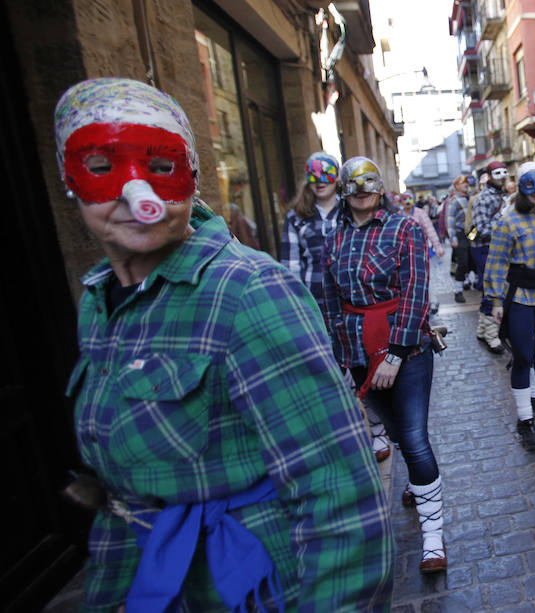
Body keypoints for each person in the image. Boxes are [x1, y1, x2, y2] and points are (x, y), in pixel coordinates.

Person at [56, 78, 393, 612]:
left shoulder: (249, 293)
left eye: (161, 166)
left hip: (246, 588)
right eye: (101, 167)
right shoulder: (100, 301)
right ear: (69, 179)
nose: (135, 193)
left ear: (191, 173)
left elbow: (340, 501)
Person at [322, 157, 446, 574]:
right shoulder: (334, 237)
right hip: (358, 352)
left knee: (412, 437)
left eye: (368, 182)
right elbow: (331, 302)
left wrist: (395, 352)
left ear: (380, 189)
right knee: (391, 431)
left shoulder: (405, 228)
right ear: (342, 189)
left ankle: (433, 538)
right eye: (352, 183)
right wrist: (339, 357)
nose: (361, 189)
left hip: (405, 351)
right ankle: (416, 483)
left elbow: (416, 292)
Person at [484, 162, 535, 451]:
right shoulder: (508, 222)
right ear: (521, 188)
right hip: (519, 298)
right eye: (530, 185)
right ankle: (524, 418)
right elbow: (496, 263)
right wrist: (495, 301)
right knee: (524, 355)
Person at [280, 151, 341, 313]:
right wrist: (297, 302)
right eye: (313, 174)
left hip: (350, 299)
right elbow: (291, 265)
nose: (319, 180)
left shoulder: (349, 210)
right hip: (314, 300)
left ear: (336, 177)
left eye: (325, 173)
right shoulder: (296, 216)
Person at [469, 161, 508, 354]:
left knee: (490, 289)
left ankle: (484, 329)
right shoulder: (484, 199)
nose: (502, 176)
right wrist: (505, 230)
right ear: (490, 176)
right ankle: (492, 335)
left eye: (504, 173)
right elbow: (481, 227)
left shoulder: (505, 196)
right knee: (492, 289)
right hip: (484, 248)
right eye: (497, 173)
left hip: (497, 248)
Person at [445, 174, 473, 302]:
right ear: (456, 186)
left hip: (472, 233)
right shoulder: (454, 201)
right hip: (460, 234)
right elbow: (450, 220)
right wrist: (453, 238)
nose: (466, 184)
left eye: (467, 182)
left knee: (472, 259)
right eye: (462, 183)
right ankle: (458, 291)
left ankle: (470, 282)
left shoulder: (470, 198)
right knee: (462, 262)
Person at [399, 190, 445, 257]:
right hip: (403, 251)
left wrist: (437, 247)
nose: (408, 201)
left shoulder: (420, 213)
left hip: (419, 249)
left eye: (410, 198)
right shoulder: (398, 215)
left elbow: (429, 230)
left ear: (413, 200)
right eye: (405, 199)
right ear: (401, 201)